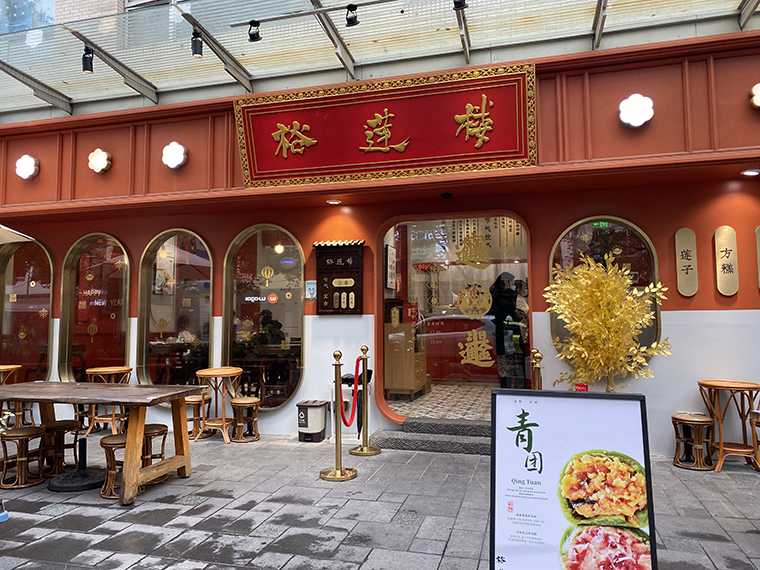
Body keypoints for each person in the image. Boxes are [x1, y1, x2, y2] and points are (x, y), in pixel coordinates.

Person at [489, 272, 523, 388]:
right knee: (508, 361)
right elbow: (507, 309)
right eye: (512, 282)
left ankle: (510, 386)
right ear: (506, 282)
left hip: (505, 332)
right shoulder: (502, 296)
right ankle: (509, 387)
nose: (514, 285)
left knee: (511, 361)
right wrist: (510, 293)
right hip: (506, 332)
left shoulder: (497, 295)